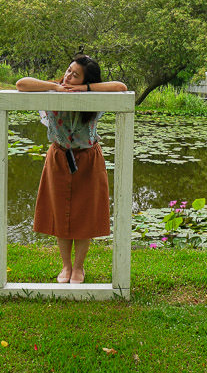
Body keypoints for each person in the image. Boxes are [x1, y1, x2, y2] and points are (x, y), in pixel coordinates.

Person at [16, 55, 127, 284]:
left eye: (75, 75)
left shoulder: (94, 97)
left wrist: (85, 89)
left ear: (87, 81)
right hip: (59, 157)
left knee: (84, 215)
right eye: (68, 70)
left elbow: (121, 87)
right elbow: (21, 84)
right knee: (60, 213)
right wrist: (56, 87)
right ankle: (66, 266)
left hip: (88, 159)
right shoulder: (53, 90)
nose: (68, 76)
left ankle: (79, 267)